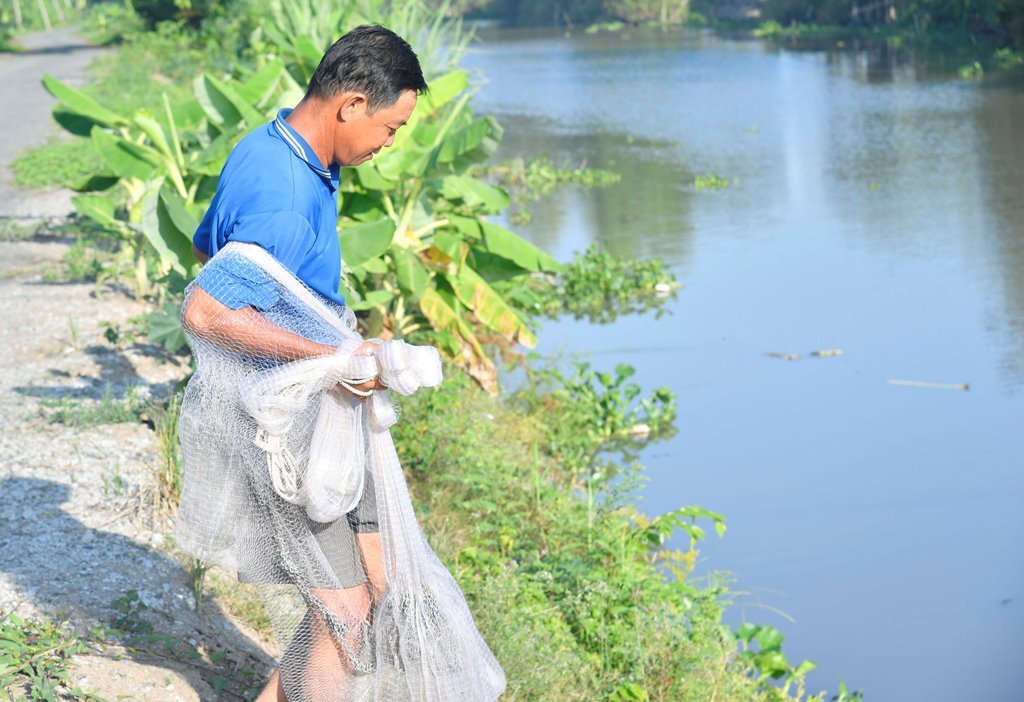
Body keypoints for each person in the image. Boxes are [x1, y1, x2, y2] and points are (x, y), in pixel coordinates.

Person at [181, 25, 427, 702]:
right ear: (350, 105)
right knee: (347, 609)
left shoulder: (270, 148)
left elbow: (216, 253)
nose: (389, 143)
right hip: (283, 424)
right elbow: (206, 311)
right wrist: (331, 354)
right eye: (390, 126)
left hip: (326, 405)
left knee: (381, 581)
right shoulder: (287, 198)